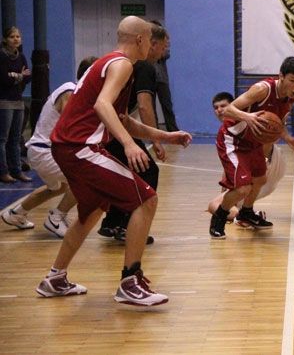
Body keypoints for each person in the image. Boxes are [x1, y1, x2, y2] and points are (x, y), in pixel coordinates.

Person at [35, 16, 192, 306]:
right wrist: (129, 145)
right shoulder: (122, 64)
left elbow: (121, 119)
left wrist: (166, 136)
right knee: (147, 199)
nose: (152, 46)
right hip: (80, 147)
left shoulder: (108, 64)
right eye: (150, 40)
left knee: (92, 211)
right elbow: (102, 105)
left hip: (67, 147)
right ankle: (130, 282)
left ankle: (55, 278)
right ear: (141, 40)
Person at [208, 57, 294, 238]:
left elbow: (278, 123)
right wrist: (248, 117)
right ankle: (218, 218)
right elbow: (228, 110)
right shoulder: (263, 89)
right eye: (292, 80)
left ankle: (246, 213)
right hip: (233, 139)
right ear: (281, 76)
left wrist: (288, 138)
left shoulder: (292, 97)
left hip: (253, 142)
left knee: (260, 179)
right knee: (242, 189)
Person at [1, 57, 97, 237]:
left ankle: (16, 213)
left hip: (42, 150)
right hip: (45, 150)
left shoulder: (77, 92)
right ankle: (56, 218)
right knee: (84, 180)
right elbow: (70, 125)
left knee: (58, 188)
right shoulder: (70, 90)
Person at [97, 22, 170, 243]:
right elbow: (145, 105)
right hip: (107, 130)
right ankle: (128, 227)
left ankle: (112, 222)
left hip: (107, 128)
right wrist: (155, 140)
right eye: (163, 47)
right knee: (147, 171)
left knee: (127, 173)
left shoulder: (122, 62)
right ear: (150, 43)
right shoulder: (144, 66)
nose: (164, 53)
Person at [207, 92, 287, 231]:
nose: (220, 110)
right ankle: (244, 214)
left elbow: (265, 144)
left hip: (270, 163)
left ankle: (235, 215)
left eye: (223, 106)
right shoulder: (230, 130)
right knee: (241, 190)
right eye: (216, 107)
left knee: (238, 192)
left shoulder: (248, 117)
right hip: (261, 174)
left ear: (234, 105)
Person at [0, 26, 32, 183]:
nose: (15, 39)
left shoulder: (21, 56)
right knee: (2, 139)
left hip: (18, 101)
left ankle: (16, 170)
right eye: (12, 37)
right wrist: (20, 76)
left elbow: (28, 77)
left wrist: (16, 77)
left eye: (18, 36)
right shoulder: (1, 56)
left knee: (15, 138)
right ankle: (3, 171)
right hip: (4, 102)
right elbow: (4, 79)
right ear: (5, 39)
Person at [154, 30, 179, 132]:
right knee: (151, 106)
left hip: (162, 79)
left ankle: (173, 130)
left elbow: (166, 54)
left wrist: (157, 52)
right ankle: (154, 130)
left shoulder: (164, 42)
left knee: (167, 105)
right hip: (150, 78)